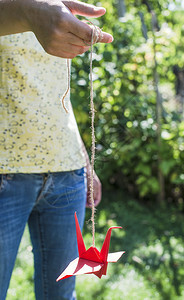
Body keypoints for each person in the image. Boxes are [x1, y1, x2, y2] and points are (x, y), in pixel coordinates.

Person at [0, 0, 113, 299]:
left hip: (67, 173)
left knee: (62, 296)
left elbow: (57, 95)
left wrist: (84, 160)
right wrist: (28, 11)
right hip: (4, 171)